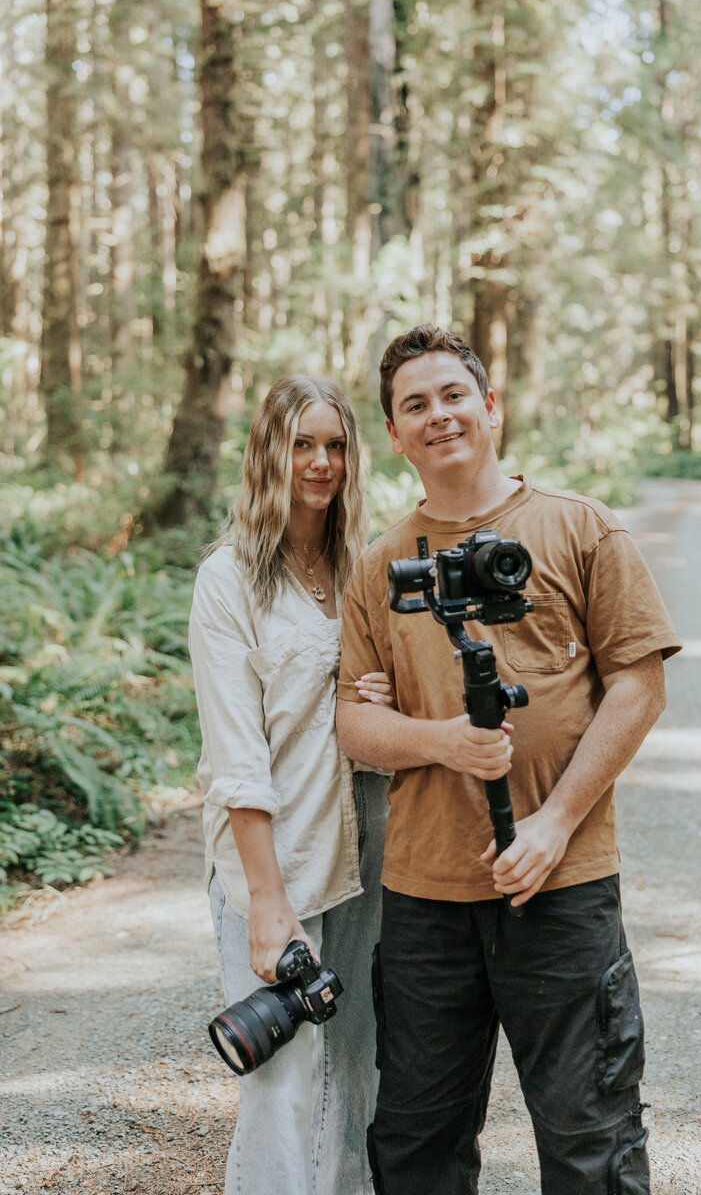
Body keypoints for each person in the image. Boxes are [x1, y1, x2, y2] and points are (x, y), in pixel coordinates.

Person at [335, 325, 682, 1195]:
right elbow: (349, 719)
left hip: (560, 888)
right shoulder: (381, 565)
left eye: (453, 394)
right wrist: (438, 740)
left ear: (490, 406)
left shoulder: (579, 527)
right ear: (395, 434)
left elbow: (638, 685)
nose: (438, 415)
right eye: (415, 404)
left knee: (590, 1134)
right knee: (417, 1140)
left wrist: (555, 823)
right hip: (424, 902)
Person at [188, 375, 391, 1195]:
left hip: (367, 844)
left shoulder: (358, 565)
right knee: (283, 1082)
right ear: (269, 452)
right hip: (276, 858)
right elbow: (237, 754)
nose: (321, 462)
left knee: (357, 1067)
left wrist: (378, 692)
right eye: (302, 443)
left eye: (335, 444)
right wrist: (268, 904)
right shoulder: (229, 579)